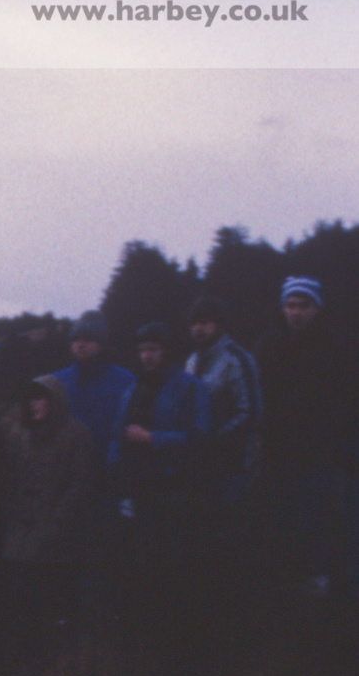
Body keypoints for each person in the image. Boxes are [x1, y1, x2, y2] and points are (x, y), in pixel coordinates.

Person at [253, 274, 352, 597]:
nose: (295, 312)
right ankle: (282, 585)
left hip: (319, 453)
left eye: (303, 306)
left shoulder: (336, 347)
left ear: (317, 308)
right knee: (278, 518)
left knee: (315, 519)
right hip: (276, 451)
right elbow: (256, 397)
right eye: (290, 305)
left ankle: (319, 587)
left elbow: (348, 400)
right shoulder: (268, 345)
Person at [116, 323, 210, 651]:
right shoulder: (132, 388)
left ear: (166, 351)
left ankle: (181, 641)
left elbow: (200, 439)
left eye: (153, 349)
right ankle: (149, 640)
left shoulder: (190, 387)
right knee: (144, 567)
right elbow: (119, 437)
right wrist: (122, 487)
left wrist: (153, 439)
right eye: (143, 350)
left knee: (177, 568)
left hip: (175, 491)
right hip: (140, 493)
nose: (147, 356)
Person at [0, 376, 99, 665]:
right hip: (19, 537)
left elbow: (81, 484)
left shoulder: (76, 434)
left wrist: (58, 523)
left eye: (40, 398)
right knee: (20, 604)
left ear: (55, 401)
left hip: (57, 538)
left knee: (54, 604)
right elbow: (10, 480)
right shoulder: (21, 435)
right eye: (30, 399)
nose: (34, 405)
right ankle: (23, 666)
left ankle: (56, 668)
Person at [184, 295, 261, 506]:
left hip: (231, 462)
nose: (198, 328)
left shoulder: (237, 359)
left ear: (219, 325)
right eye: (194, 323)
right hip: (196, 462)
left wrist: (215, 440)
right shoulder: (191, 361)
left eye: (205, 323)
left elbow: (250, 411)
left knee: (226, 522)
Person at [50, 312, 137, 471]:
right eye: (75, 339)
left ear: (102, 343)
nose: (80, 344)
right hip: (67, 468)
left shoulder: (125, 380)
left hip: (109, 467)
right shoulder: (57, 381)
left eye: (88, 339)